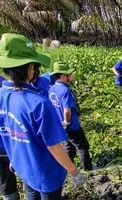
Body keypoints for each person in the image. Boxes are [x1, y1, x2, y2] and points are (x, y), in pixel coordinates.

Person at [0, 33, 84, 199]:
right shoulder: (39, 104)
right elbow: (53, 146)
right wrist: (73, 170)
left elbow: (7, 131)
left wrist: (14, 158)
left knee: (31, 193)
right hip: (45, 173)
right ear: (30, 67)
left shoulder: (2, 95)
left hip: (22, 166)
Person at [49, 61, 93, 171]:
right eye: (68, 74)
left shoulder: (52, 89)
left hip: (60, 125)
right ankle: (88, 170)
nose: (70, 77)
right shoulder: (65, 90)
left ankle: (67, 168)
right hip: (71, 125)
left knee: (69, 146)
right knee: (82, 147)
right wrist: (67, 122)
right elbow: (67, 110)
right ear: (63, 75)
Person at [0, 75, 20, 200]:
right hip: (12, 142)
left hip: (7, 141)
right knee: (29, 174)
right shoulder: (3, 84)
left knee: (5, 181)